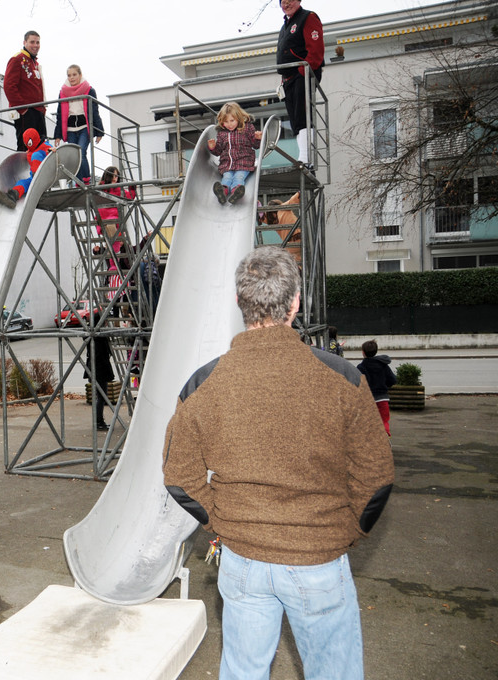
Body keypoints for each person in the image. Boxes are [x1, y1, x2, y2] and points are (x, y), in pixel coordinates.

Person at [162, 247, 394, 680]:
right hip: (320, 559)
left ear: (239, 302)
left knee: (243, 671)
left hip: (242, 559)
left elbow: (179, 476)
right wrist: (344, 531)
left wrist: (222, 522)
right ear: (296, 302)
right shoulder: (343, 377)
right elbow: (376, 477)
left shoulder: (202, 384)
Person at [277, 0, 324, 166]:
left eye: (290, 0)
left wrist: (304, 71)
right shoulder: (285, 26)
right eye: (283, 1)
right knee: (295, 119)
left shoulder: (308, 17)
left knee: (303, 115)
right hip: (289, 78)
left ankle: (306, 158)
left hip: (302, 74)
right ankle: (302, 156)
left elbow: (316, 49)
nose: (286, 4)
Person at [53, 64, 104, 184]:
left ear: (80, 75)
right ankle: (78, 182)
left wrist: (99, 131)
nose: (72, 78)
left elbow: (94, 111)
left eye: (74, 74)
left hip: (84, 127)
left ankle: (86, 180)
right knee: (74, 156)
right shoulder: (63, 92)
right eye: (69, 75)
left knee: (81, 152)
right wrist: (58, 135)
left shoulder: (89, 90)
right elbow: (60, 114)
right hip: (70, 128)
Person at [207, 102, 263, 205]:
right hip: (227, 164)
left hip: (244, 162)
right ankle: (222, 192)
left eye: (232, 120)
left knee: (239, 177)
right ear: (221, 122)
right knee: (227, 177)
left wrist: (258, 138)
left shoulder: (247, 128)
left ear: (238, 118)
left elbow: (255, 145)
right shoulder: (222, 133)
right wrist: (213, 147)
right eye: (226, 122)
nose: (229, 124)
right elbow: (218, 151)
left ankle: (236, 192)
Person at [4, 30, 47, 151]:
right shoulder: (17, 59)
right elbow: (8, 85)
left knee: (41, 145)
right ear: (25, 42)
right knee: (26, 146)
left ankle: (37, 170)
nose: (35, 45)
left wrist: (43, 109)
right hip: (26, 112)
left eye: (37, 42)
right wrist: (23, 109)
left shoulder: (35, 62)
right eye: (32, 42)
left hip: (38, 111)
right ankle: (24, 170)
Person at [0, 129, 53, 208]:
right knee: (22, 183)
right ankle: (12, 197)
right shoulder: (30, 151)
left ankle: (37, 176)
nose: (28, 146)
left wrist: (51, 150)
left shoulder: (44, 146)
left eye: (29, 144)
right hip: (34, 179)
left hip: (46, 176)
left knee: (36, 155)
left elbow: (50, 151)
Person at [357, 339, 398, 436]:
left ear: (363, 352)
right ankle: (385, 438)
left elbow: (358, 383)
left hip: (368, 399)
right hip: (382, 398)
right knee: (384, 420)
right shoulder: (383, 365)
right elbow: (392, 380)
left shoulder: (361, 367)